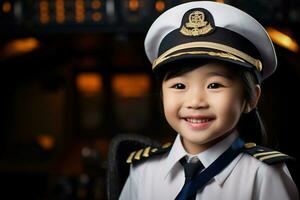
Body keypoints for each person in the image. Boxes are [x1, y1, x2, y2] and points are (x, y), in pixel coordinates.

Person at [119, 1, 299, 200]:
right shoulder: (143, 170)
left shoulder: (263, 174)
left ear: (251, 98)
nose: (195, 101)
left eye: (214, 85)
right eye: (179, 86)